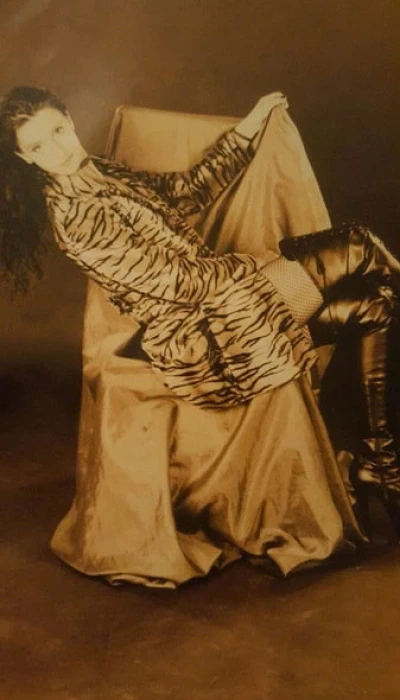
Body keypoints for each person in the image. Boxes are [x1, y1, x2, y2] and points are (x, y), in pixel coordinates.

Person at [1, 85, 400, 551]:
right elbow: (176, 282)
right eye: (38, 147)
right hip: (203, 334)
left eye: (58, 131)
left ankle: (379, 463)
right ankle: (385, 469)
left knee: (374, 307)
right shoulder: (75, 217)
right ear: (25, 158)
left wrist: (249, 127)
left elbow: (186, 192)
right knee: (357, 244)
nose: (57, 150)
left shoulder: (102, 172)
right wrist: (255, 269)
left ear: (70, 120)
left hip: (227, 306)